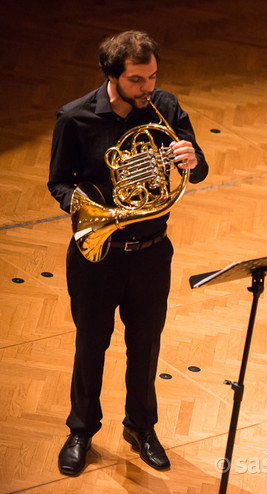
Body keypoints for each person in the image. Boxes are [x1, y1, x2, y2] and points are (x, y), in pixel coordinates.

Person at [48, 30, 208, 476]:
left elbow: (199, 169)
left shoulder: (166, 107)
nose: (148, 88)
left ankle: (141, 426)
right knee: (91, 344)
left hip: (152, 254)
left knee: (145, 344)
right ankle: (81, 430)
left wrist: (190, 159)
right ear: (112, 77)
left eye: (153, 76)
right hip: (97, 253)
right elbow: (58, 182)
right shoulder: (75, 118)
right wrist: (90, 209)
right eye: (138, 80)